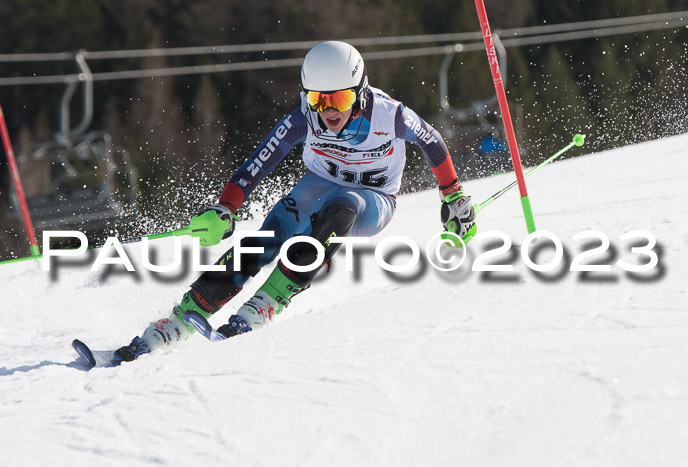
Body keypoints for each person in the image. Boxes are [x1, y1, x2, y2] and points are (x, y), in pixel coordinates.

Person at [114, 41, 477, 361]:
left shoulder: (390, 114)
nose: (329, 111)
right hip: (318, 184)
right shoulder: (304, 118)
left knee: (342, 206)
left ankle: (268, 302)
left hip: (373, 199)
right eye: (319, 99)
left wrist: (453, 195)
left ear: (361, 91)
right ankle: (179, 320)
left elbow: (432, 143)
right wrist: (227, 206)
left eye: (340, 98)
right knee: (270, 235)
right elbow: (257, 164)